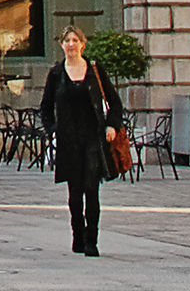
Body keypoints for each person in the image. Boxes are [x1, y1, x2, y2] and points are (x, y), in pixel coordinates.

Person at [38, 23, 126, 257]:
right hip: (68, 140)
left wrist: (112, 125)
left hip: (92, 138)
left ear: (83, 45)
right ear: (62, 46)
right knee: (74, 195)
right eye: (67, 41)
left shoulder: (95, 70)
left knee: (91, 189)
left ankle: (91, 240)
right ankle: (77, 234)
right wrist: (52, 129)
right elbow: (45, 108)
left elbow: (115, 103)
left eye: (75, 40)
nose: (71, 45)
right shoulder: (56, 73)